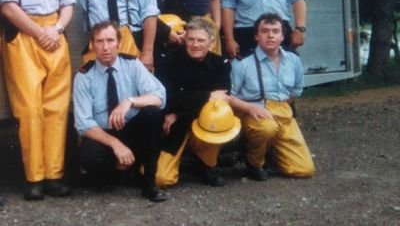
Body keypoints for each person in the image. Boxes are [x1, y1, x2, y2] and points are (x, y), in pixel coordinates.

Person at [0, 0, 75, 200]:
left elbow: (68, 3)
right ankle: (34, 178)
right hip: (24, 35)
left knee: (56, 108)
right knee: (29, 109)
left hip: (55, 34)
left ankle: (54, 176)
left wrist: (55, 30)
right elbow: (7, 5)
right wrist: (40, 32)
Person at [73, 21, 167, 202]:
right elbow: (83, 124)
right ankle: (116, 174)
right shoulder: (84, 76)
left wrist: (129, 101)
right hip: (105, 136)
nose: (106, 47)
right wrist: (116, 144)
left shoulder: (132, 65)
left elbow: (159, 96)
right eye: (100, 41)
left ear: (119, 42)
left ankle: (149, 183)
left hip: (132, 132)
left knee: (152, 113)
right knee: (89, 155)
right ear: (92, 45)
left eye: (110, 40)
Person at [228, 13, 315, 181]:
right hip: (253, 112)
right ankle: (254, 162)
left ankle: (273, 153)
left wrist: (279, 108)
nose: (270, 35)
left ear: (282, 36)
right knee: (266, 128)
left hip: (283, 111)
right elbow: (228, 96)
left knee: (304, 170)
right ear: (256, 36)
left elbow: (295, 91)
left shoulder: (293, 60)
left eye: (275, 31)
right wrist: (250, 108)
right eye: (265, 31)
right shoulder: (242, 62)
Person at [155, 18, 232, 188]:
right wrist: (207, 96)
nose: (195, 44)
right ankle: (185, 161)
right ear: (185, 40)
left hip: (203, 122)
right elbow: (167, 100)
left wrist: (179, 114)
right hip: (174, 127)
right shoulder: (169, 61)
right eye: (191, 39)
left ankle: (206, 165)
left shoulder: (220, 64)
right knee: (161, 179)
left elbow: (221, 103)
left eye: (201, 40)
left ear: (211, 43)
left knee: (217, 115)